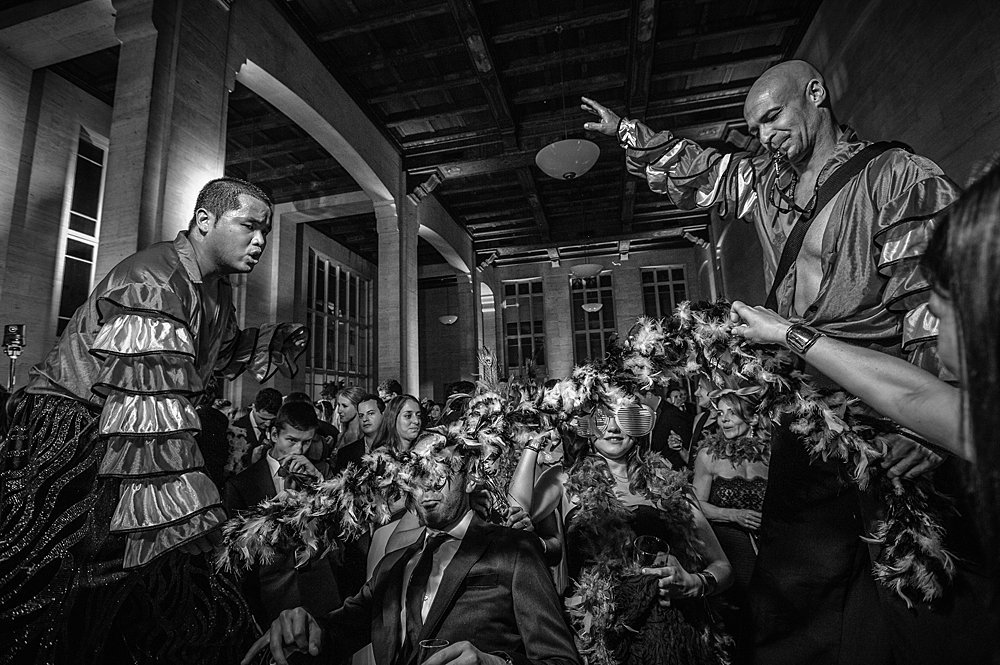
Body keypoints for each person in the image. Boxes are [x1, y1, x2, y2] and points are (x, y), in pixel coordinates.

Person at [583, 60, 977, 664]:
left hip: (889, 412)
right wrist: (627, 133)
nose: (766, 136)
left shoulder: (896, 176)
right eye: (755, 129)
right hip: (807, 412)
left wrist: (928, 426)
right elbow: (704, 169)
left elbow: (932, 301)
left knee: (919, 589)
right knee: (797, 589)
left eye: (773, 117)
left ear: (816, 94)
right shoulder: (769, 185)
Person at [0, 177, 307, 664]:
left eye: (265, 231)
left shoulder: (216, 291)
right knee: (63, 588)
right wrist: (189, 506)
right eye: (248, 226)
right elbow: (150, 399)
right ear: (204, 221)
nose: (260, 241)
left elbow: (214, 352)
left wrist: (268, 341)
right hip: (81, 437)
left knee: (153, 590)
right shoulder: (155, 279)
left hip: (129, 435)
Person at [730, 157, 1000, 608]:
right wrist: (786, 333)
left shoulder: (895, 174)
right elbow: (910, 393)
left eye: (945, 291)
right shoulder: (981, 420)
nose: (930, 311)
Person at [243, 430, 580, 665]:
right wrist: (302, 628)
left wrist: (496, 663)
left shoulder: (512, 550)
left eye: (441, 471)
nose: (428, 485)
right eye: (417, 472)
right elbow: (334, 635)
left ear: (469, 478)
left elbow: (561, 659)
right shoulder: (392, 567)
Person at [562, 403, 734, 663]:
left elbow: (723, 567)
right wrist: (532, 441)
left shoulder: (668, 483)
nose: (614, 427)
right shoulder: (564, 481)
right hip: (601, 637)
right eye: (603, 418)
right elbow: (515, 508)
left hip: (669, 633)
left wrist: (695, 583)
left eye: (625, 417)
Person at [224, 402, 342, 630]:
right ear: (273, 435)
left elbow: (338, 529)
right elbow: (237, 553)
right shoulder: (241, 484)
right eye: (292, 440)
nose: (299, 450)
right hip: (272, 596)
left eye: (306, 442)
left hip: (320, 592)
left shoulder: (322, 473)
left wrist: (318, 484)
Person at [692, 393, 769, 662]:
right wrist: (733, 515)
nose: (723, 419)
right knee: (736, 619)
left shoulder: (770, 456)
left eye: (731, 413)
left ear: (753, 418)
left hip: (766, 547)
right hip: (727, 546)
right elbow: (696, 505)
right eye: (720, 413)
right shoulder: (709, 455)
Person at [232, 386, 283, 470]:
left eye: (272, 419)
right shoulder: (236, 428)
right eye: (263, 418)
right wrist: (251, 462)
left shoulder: (280, 427)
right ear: (253, 407)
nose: (268, 424)